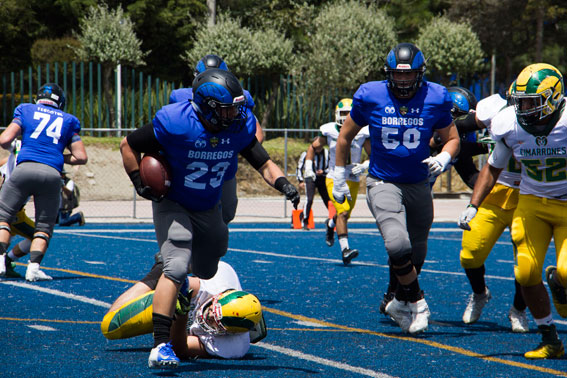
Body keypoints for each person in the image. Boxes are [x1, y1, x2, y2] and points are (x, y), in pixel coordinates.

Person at [120, 68, 299, 368]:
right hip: (173, 201)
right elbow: (129, 144)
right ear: (208, 108)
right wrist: (140, 181)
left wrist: (284, 184)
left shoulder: (237, 127)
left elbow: (263, 162)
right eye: (228, 109)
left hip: (207, 206)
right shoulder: (177, 122)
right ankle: (160, 345)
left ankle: (181, 300)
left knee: (207, 266)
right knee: (175, 265)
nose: (235, 114)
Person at [334, 43, 459, 334]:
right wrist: (339, 175)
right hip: (383, 180)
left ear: (420, 74)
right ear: (389, 74)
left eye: (408, 76)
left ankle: (396, 300)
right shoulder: (371, 94)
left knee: (416, 252)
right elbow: (345, 136)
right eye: (397, 76)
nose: (402, 82)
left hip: (418, 183)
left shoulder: (436, 96)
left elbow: (452, 138)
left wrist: (444, 156)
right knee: (396, 244)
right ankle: (417, 300)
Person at [458, 63, 566, 359]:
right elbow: (492, 167)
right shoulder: (510, 121)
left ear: (554, 97)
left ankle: (558, 284)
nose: (526, 108)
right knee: (526, 270)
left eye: (532, 102)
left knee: (566, 272)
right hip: (531, 202)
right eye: (521, 102)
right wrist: (473, 205)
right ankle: (550, 340)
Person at [456, 86, 528, 333]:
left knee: (526, 263)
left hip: (531, 193)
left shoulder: (556, 120)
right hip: (495, 190)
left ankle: (519, 309)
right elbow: (458, 127)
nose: (526, 109)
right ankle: (479, 293)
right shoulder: (493, 108)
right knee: (470, 254)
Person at [0, 83, 88, 281]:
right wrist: (56, 155)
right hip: (51, 174)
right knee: (43, 228)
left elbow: (4, 140)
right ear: (61, 102)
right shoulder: (69, 120)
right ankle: (33, 269)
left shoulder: (25, 110)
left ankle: (0, 262)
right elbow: (81, 157)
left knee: (3, 218)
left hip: (25, 168)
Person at [101, 260, 266, 362]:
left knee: (109, 328)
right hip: (188, 291)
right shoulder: (215, 283)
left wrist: (182, 315)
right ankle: (158, 272)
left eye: (214, 321)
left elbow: (181, 348)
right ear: (218, 296)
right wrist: (180, 296)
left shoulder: (233, 347)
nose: (206, 317)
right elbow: (180, 285)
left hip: (182, 319)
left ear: (229, 333)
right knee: (110, 325)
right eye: (211, 311)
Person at [169, 54, 264, 225]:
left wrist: (235, 146)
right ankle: (174, 246)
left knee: (227, 211)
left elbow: (257, 133)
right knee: (181, 209)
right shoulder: (179, 98)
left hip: (222, 168)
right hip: (190, 166)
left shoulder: (242, 98)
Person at [306, 98, 370, 265]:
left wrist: (364, 165)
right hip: (333, 177)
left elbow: (374, 155)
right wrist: (307, 166)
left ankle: (330, 224)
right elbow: (314, 147)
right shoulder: (329, 131)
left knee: (345, 214)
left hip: (353, 178)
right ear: (336, 114)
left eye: (349, 113)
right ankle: (345, 250)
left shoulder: (363, 131)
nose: (346, 117)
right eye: (343, 113)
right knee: (342, 212)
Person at [429, 86, 488, 190]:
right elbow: (458, 125)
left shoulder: (457, 147)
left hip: (420, 194)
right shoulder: (430, 133)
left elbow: (471, 178)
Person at [0, 141, 34, 278]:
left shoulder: (20, 148)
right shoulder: (29, 147)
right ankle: (7, 260)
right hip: (12, 209)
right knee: (40, 237)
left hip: (13, 207)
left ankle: (7, 260)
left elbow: (5, 160)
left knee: (6, 236)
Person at [296, 146, 330, 230]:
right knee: (309, 199)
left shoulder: (326, 152)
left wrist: (324, 171)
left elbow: (332, 166)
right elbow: (299, 167)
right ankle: (305, 221)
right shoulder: (306, 153)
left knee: (328, 199)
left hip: (323, 178)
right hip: (310, 178)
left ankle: (334, 218)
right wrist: (300, 180)